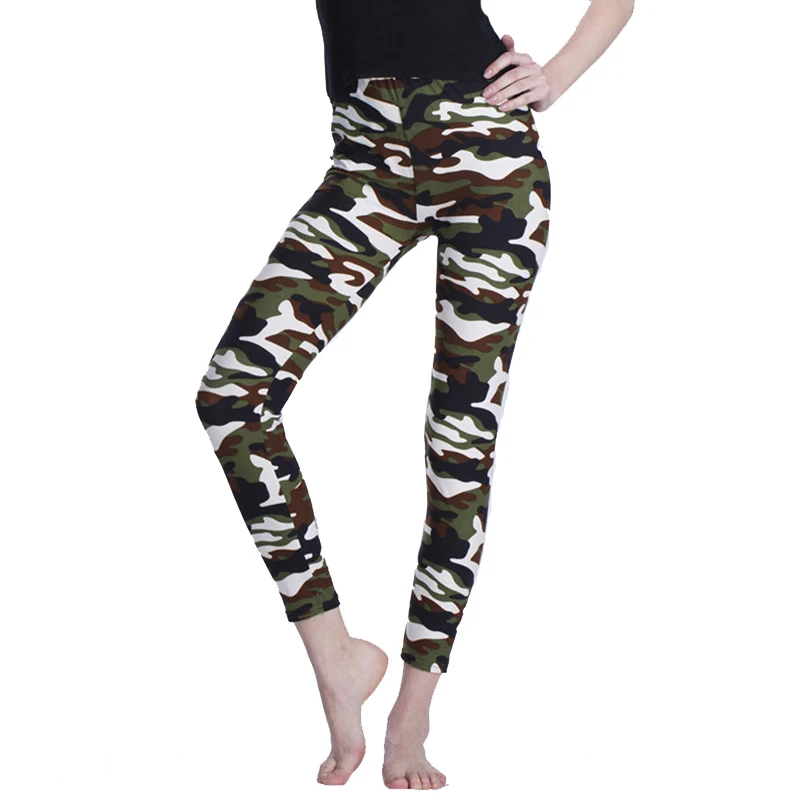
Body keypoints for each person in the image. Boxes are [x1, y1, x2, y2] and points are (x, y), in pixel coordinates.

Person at [195, 0, 635, 789]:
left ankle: (414, 713)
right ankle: (336, 657)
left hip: (487, 152)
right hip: (364, 160)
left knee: (458, 444)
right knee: (233, 394)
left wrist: (558, 74)